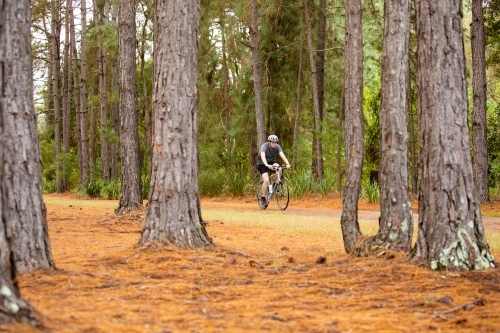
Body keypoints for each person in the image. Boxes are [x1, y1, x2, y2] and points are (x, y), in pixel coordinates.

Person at [257, 134, 291, 207]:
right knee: (266, 180)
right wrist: (266, 164)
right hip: (262, 164)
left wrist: (287, 163)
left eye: (275, 142)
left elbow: (282, 155)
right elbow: (263, 156)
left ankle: (274, 185)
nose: (274, 144)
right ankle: (263, 197)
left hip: (271, 162)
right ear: (269, 142)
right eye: (273, 142)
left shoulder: (277, 147)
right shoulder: (264, 146)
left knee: (279, 168)